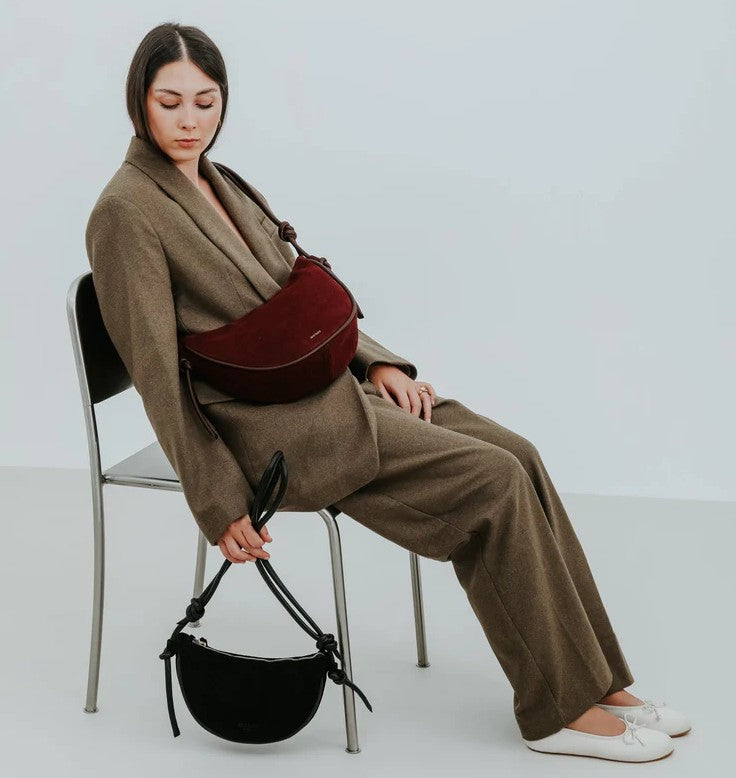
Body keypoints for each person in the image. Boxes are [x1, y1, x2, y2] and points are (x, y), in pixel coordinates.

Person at [85, 22, 690, 762]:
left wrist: (378, 363)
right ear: (139, 102)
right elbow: (155, 373)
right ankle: (556, 711)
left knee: (519, 453)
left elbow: (297, 291)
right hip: (268, 431)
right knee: (493, 482)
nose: (189, 121)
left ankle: (600, 682)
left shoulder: (222, 180)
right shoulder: (125, 212)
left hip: (329, 391)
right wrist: (215, 500)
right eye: (170, 101)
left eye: (205, 102)